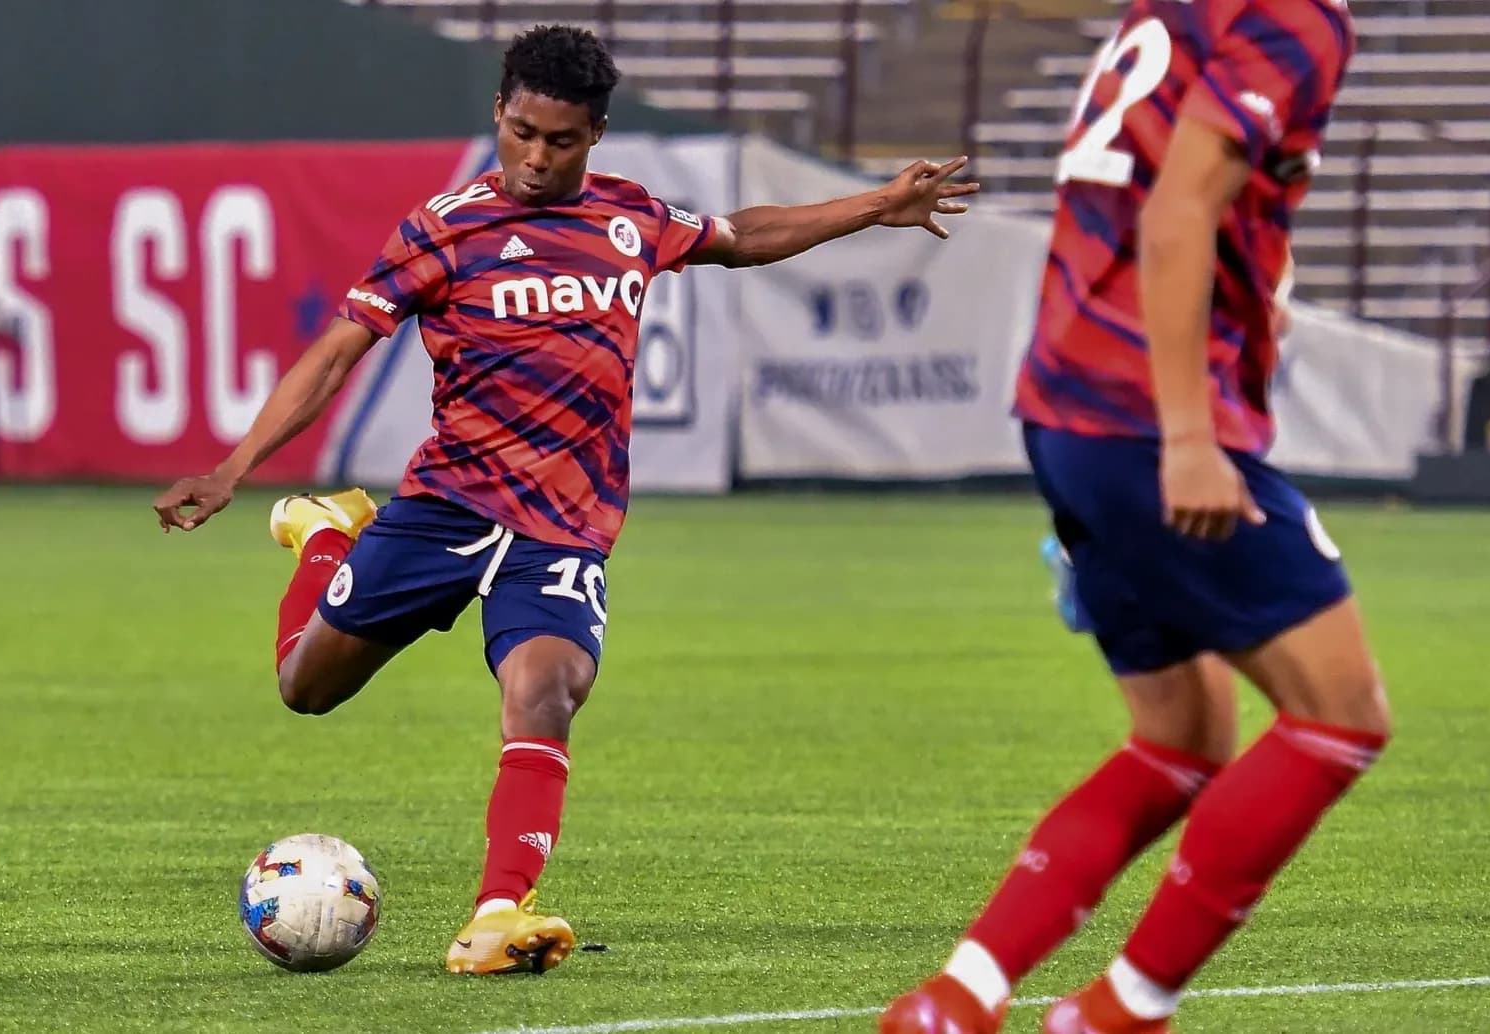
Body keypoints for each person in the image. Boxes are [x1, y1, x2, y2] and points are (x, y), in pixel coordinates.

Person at [153, 24, 978, 975]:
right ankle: (326, 537)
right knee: (305, 689)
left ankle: (498, 915)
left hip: (562, 532)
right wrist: (236, 467)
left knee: (544, 694)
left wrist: (878, 204)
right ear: (499, 113)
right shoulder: (442, 229)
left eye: (561, 140)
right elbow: (339, 350)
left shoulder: (631, 219)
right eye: (522, 133)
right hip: (446, 508)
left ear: (596, 135)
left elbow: (741, 237)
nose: (537, 158)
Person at [882, 0, 1388, 1031]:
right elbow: (1175, 211)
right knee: (1340, 714)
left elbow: (1155, 187)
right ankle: (1122, 1010)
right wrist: (1190, 437)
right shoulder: (1296, 15)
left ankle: (955, 998)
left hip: (1068, 408)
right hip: (1145, 417)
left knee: (1180, 736)